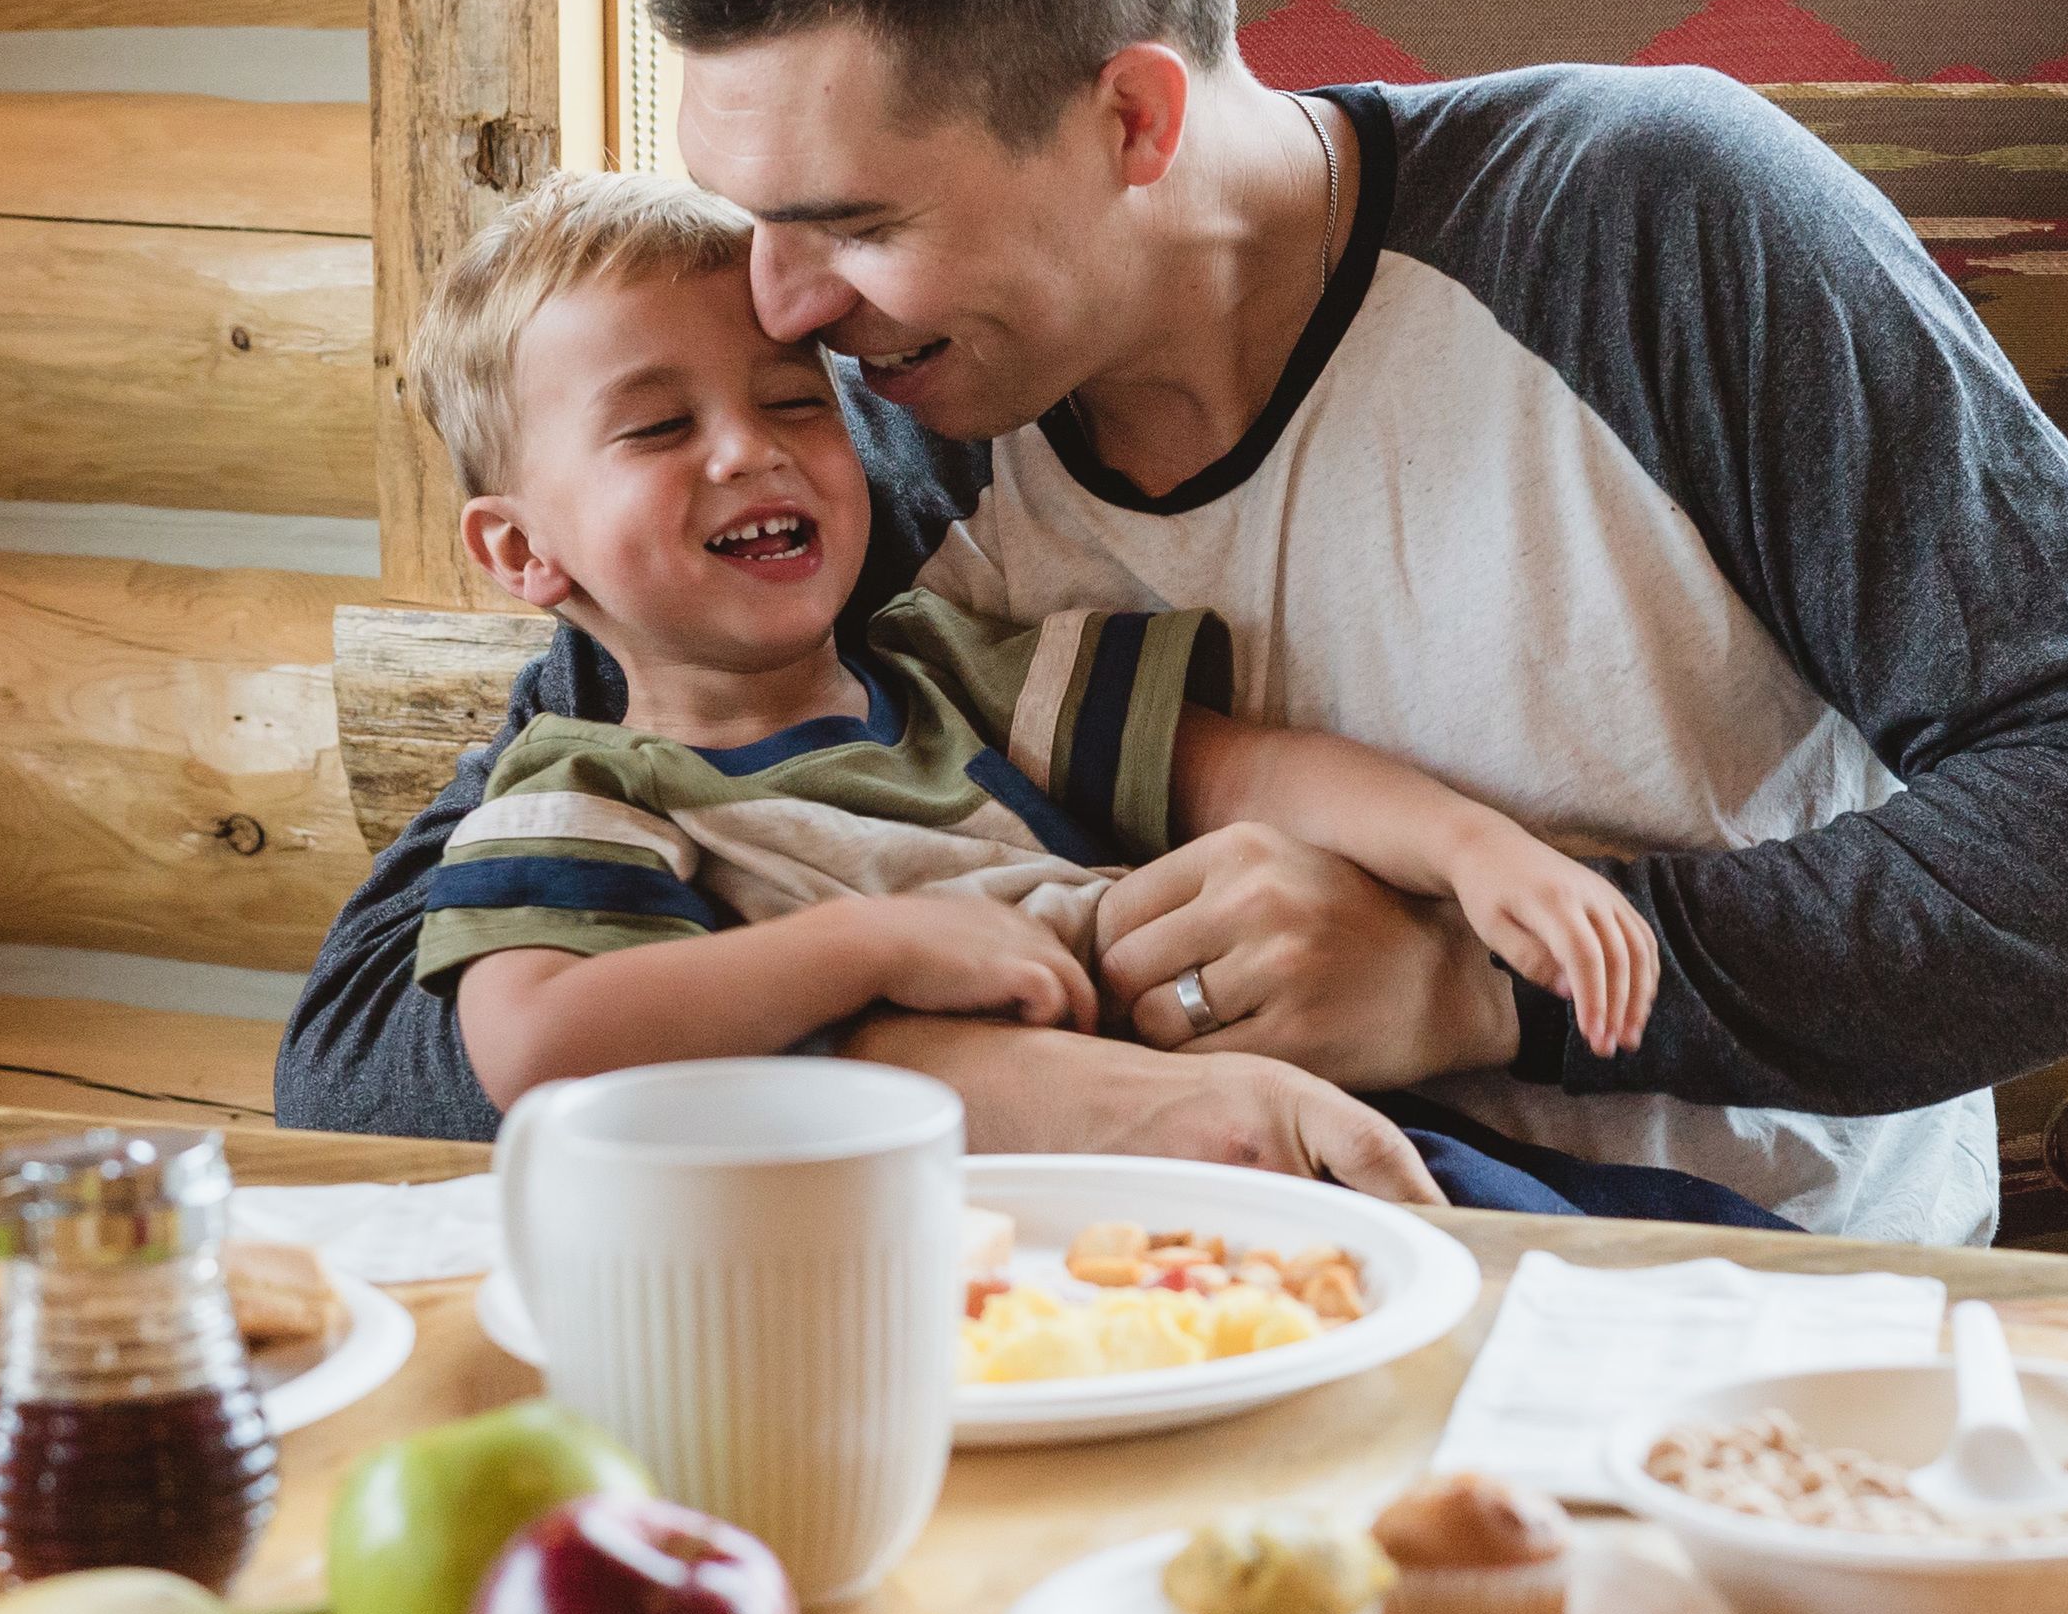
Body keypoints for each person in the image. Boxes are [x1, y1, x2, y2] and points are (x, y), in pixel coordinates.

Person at [281, 0, 2068, 1243]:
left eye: (856, 221)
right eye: (755, 221)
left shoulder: (1647, 232)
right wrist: (973, 1075)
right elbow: (375, 1040)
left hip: (1715, 1308)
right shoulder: (845, 434)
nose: (784, 305)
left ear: (1133, 120)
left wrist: (1473, 985)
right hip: (1125, 1286)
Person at [401, 170, 1660, 1110]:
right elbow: (537, 1045)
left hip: (1253, 1114)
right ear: (521, 549)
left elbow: (1250, 772)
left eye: (793, 399)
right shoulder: (585, 790)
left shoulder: (953, 672)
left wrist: (1470, 847)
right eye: (657, 428)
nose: (750, 449)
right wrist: (872, 947)